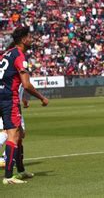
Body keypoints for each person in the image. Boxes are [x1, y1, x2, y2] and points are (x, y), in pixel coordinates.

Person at [0, 27, 49, 184]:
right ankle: (8, 177)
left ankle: (21, 171)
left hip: (3, 96)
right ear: (22, 39)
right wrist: (42, 98)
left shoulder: (7, 53)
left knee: (20, 134)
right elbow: (26, 85)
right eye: (29, 37)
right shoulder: (19, 56)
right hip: (9, 99)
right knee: (13, 136)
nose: (31, 39)